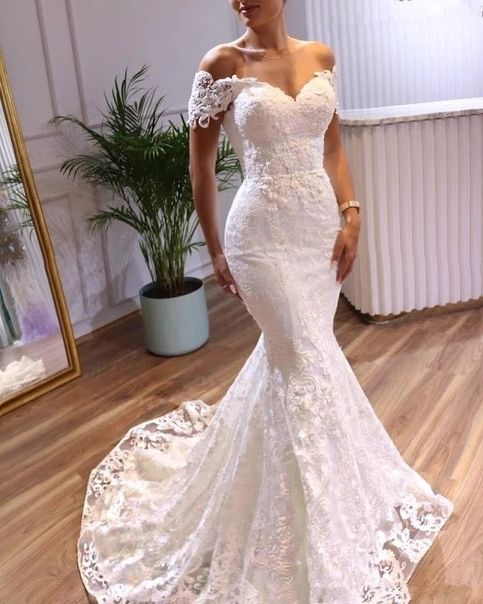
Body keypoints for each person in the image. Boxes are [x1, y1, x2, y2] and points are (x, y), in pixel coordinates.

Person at [77, 1, 454, 602]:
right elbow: (199, 164)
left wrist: (352, 214)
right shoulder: (222, 63)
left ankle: (302, 496)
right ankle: (320, 530)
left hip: (317, 236)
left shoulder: (322, 57)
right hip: (260, 240)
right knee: (303, 358)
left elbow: (332, 149)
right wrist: (214, 252)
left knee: (298, 362)